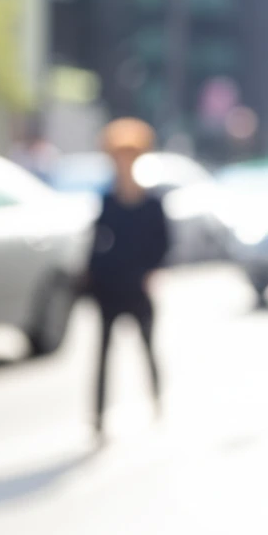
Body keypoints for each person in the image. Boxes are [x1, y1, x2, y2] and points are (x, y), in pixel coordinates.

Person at [84, 117, 170, 439]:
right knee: (103, 352)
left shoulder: (152, 203)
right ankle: (98, 417)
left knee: (147, 347)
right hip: (109, 285)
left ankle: (157, 399)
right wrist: (90, 275)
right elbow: (96, 242)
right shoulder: (108, 200)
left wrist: (152, 272)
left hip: (138, 285)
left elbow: (163, 244)